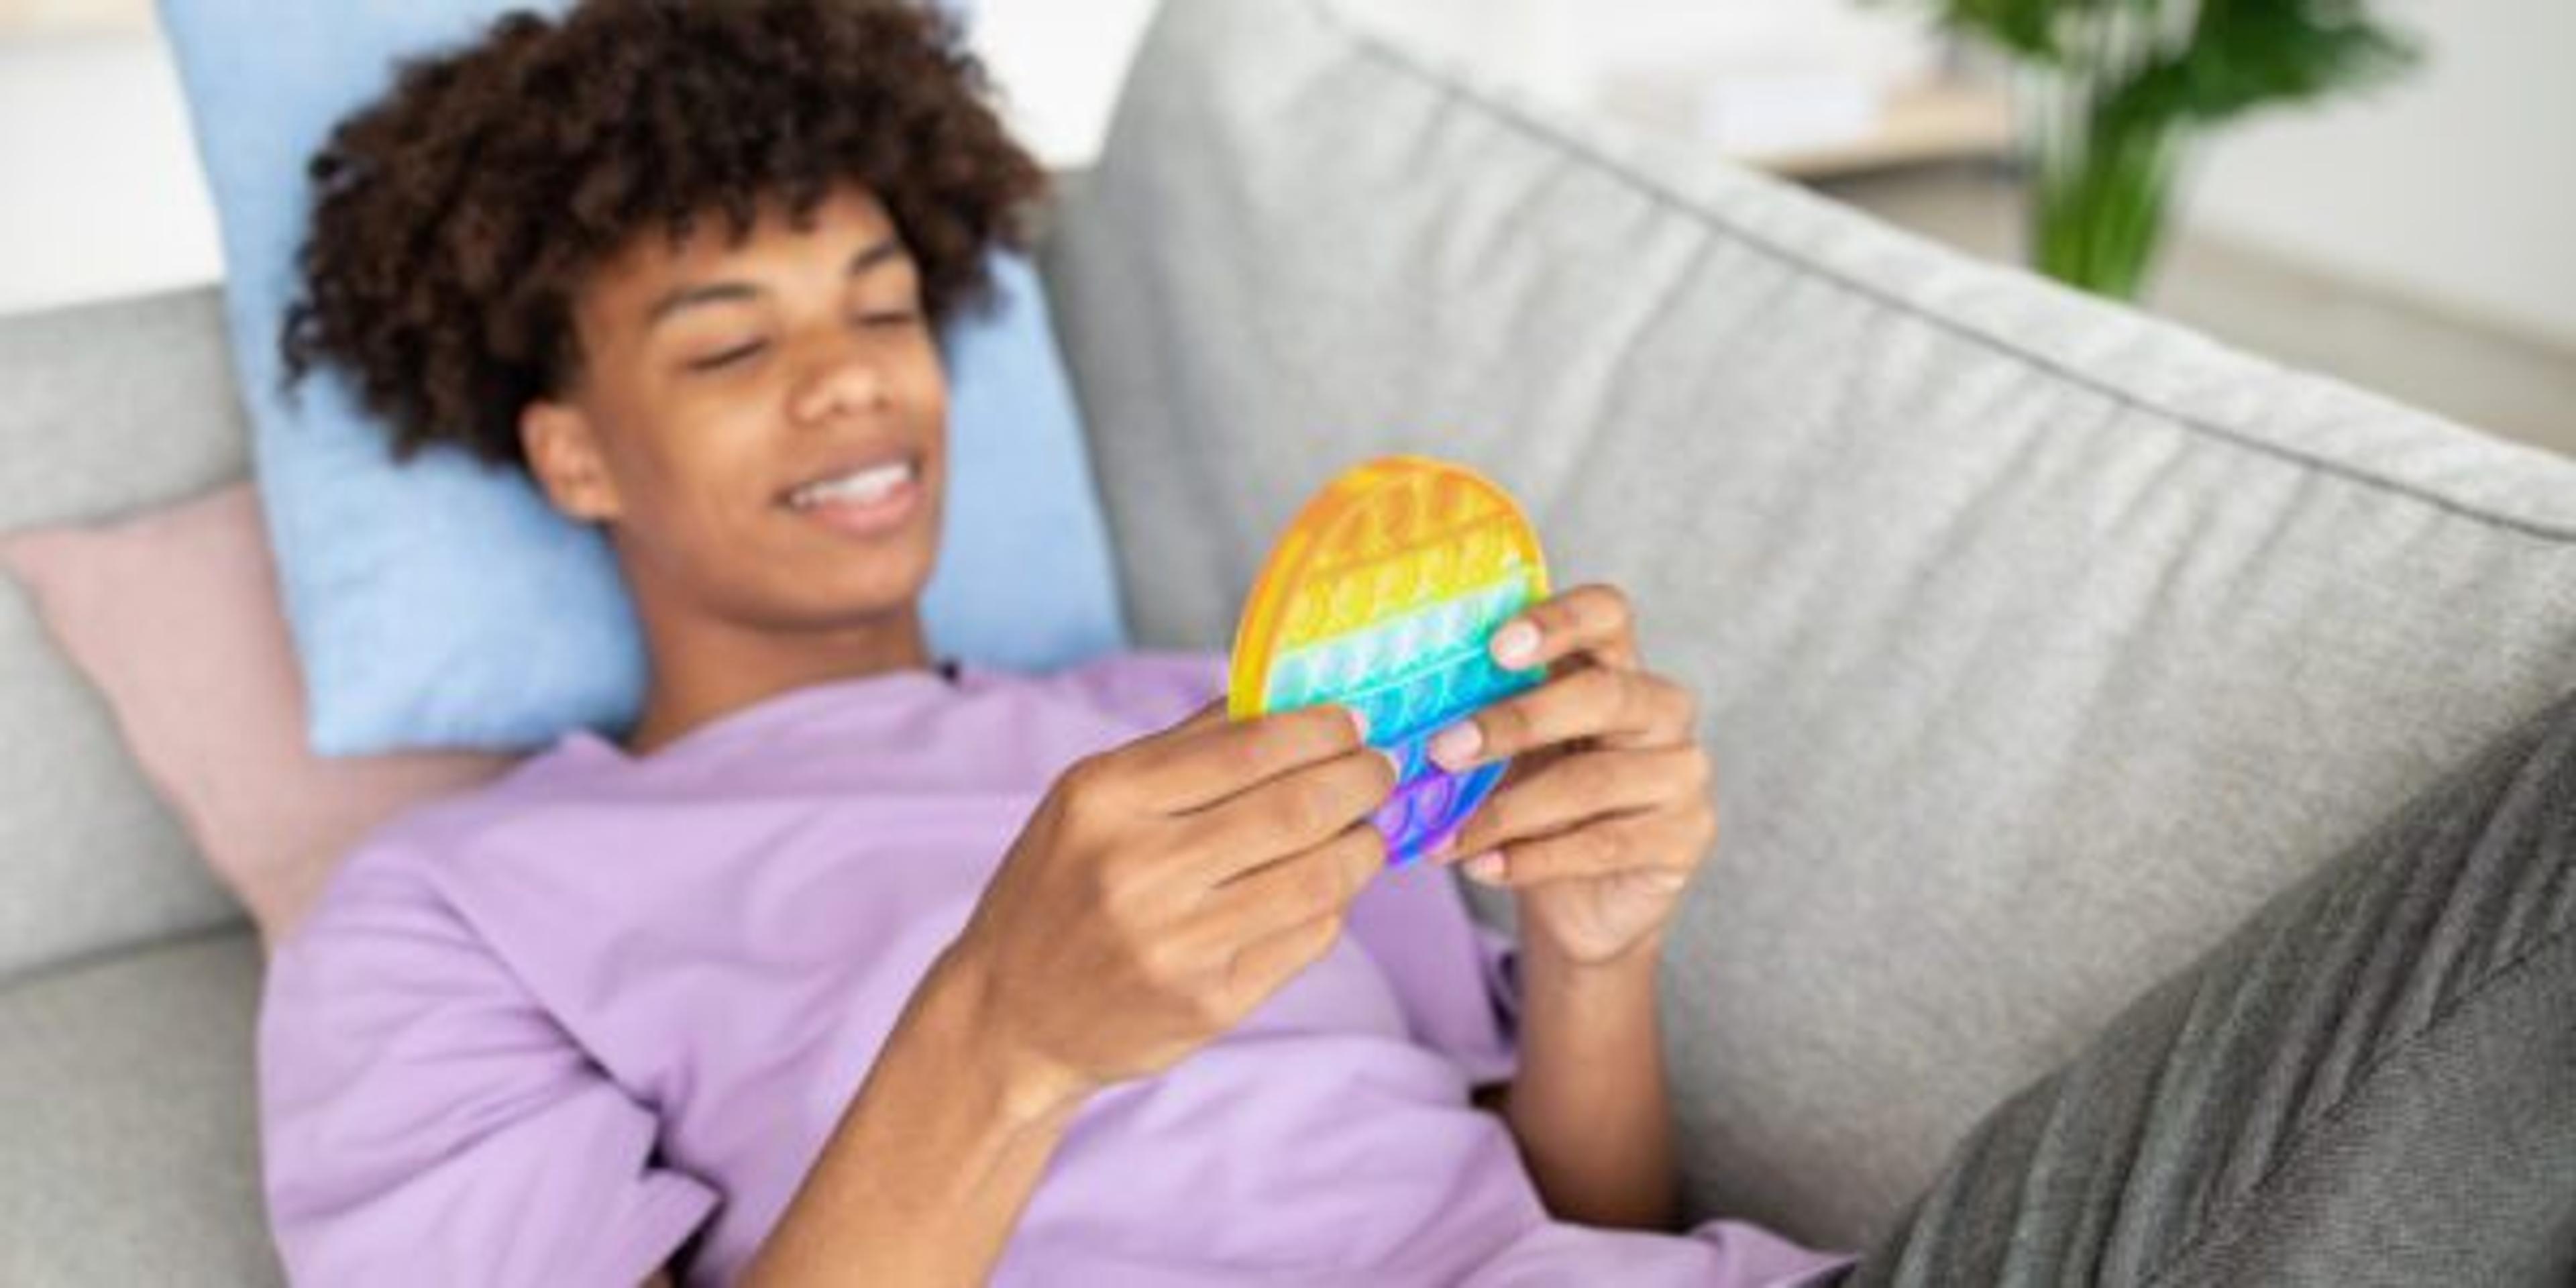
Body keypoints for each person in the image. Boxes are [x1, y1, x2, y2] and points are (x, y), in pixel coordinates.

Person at [258, 1, 1847, 1283]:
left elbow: (1587, 1225)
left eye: (883, 312)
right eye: (734, 342)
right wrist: (1001, 1039)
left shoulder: (1210, 708)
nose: (850, 383)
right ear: (573, 458)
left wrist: (1593, 952)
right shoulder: (444, 914)